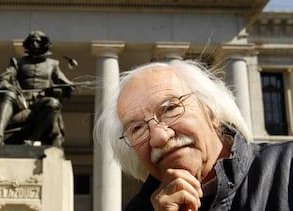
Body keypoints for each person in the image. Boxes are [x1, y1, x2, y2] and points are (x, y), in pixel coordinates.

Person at [93, 60, 293, 211]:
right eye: (137, 129)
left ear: (211, 112)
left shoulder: (287, 167)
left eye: (170, 108)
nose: (159, 137)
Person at [0, 30, 73, 149]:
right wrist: (7, 85)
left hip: (40, 102)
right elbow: (3, 79)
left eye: (37, 42)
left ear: (44, 44)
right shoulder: (18, 62)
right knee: (8, 94)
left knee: (53, 103)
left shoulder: (53, 64)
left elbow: (65, 83)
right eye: (31, 42)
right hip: (20, 101)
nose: (34, 44)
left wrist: (64, 87)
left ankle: (32, 139)